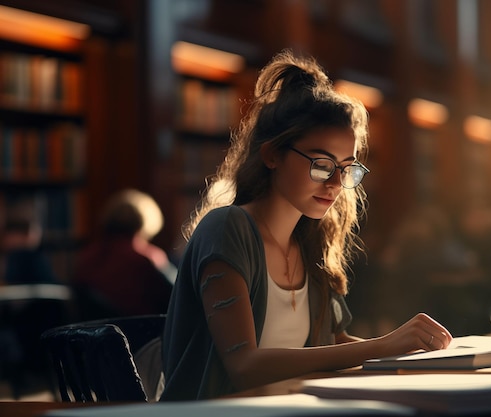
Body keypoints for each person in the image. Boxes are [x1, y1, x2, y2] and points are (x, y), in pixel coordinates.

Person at [160, 50, 453, 401]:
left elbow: (335, 343)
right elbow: (244, 367)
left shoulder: (312, 241)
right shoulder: (227, 227)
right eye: (321, 164)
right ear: (272, 155)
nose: (333, 183)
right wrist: (384, 344)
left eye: (346, 168)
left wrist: (417, 354)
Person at [72, 189, 174, 319]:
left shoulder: (87, 257)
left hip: (95, 333)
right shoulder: (147, 258)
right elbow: (178, 296)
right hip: (140, 333)